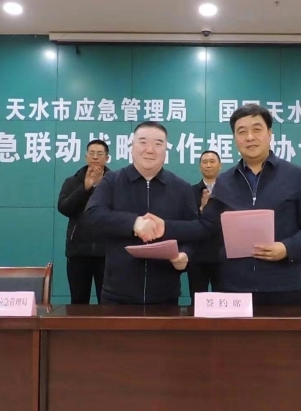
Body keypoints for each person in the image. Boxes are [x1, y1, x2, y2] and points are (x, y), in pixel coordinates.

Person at [195, 104, 301, 306]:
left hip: (283, 286)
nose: (250, 137)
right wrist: (167, 226)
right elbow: (207, 227)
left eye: (257, 129)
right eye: (242, 132)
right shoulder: (224, 181)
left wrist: (287, 247)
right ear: (235, 138)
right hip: (234, 287)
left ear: (269, 133)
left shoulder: (295, 175)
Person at [80, 122, 197, 305]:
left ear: (166, 150)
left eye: (158, 144)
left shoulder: (181, 188)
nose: (150, 150)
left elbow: (195, 231)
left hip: (165, 296)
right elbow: (91, 216)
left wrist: (186, 254)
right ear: (132, 147)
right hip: (117, 295)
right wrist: (133, 223)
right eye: (143, 142)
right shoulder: (112, 181)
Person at [57, 139, 110, 304]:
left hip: (106, 253)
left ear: (107, 158)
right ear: (86, 156)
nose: (95, 157)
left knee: (108, 302)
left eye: (99, 154)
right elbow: (64, 208)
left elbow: (120, 210)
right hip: (78, 253)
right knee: (78, 301)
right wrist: (85, 188)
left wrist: (100, 186)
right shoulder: (72, 182)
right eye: (91, 153)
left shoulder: (114, 182)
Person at [187, 150, 223, 304]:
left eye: (212, 161)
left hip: (222, 256)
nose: (208, 165)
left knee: (222, 302)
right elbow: (186, 222)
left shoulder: (229, 191)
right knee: (197, 301)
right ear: (200, 166)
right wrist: (202, 210)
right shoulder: (190, 191)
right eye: (205, 162)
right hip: (198, 256)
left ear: (220, 165)